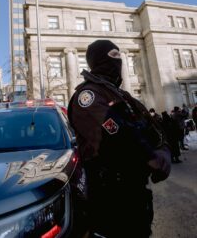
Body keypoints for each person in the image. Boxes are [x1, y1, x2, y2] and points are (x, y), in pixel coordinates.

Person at [68, 40, 171, 238]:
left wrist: (163, 149)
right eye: (114, 55)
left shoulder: (122, 95)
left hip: (134, 189)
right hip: (111, 194)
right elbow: (116, 134)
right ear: (99, 59)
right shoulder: (88, 95)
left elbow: (152, 126)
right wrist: (149, 156)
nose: (120, 60)